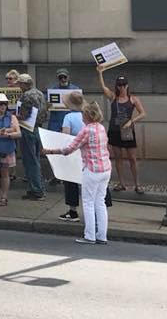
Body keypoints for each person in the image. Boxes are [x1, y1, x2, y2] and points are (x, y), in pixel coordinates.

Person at [43, 101, 113, 245]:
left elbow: (69, 149)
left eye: (83, 113)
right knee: (100, 202)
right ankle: (102, 236)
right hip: (105, 169)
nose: (81, 115)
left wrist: (50, 151)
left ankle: (89, 236)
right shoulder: (101, 128)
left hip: (91, 169)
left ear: (87, 115)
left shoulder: (86, 130)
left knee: (88, 202)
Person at [96, 67, 146, 193]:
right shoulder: (113, 97)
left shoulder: (133, 99)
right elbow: (103, 88)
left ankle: (137, 184)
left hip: (127, 130)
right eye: (119, 85)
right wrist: (100, 73)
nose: (122, 87)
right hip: (114, 130)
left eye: (124, 85)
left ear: (127, 86)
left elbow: (143, 113)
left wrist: (131, 121)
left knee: (132, 158)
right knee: (118, 158)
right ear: (117, 86)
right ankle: (121, 183)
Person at [16, 73, 47, 200]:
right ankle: (38, 187)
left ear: (25, 84)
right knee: (36, 159)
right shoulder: (40, 93)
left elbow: (24, 115)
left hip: (28, 128)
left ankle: (36, 190)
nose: (19, 86)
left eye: (20, 83)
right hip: (38, 127)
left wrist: (13, 117)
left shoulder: (26, 96)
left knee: (30, 160)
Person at [58, 91, 86, 222]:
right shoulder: (86, 115)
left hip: (73, 153)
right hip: (86, 152)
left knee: (71, 181)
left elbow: (66, 136)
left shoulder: (68, 117)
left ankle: (73, 211)